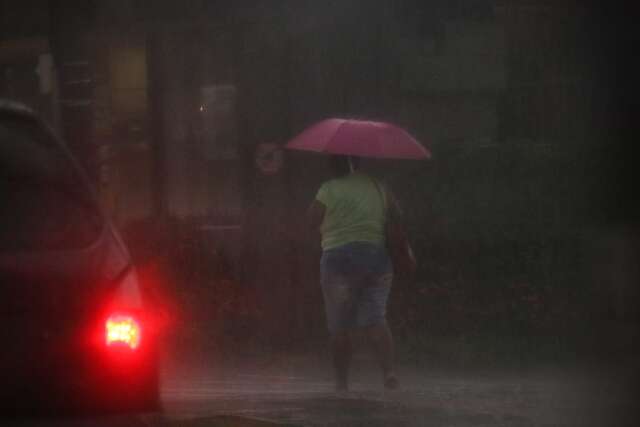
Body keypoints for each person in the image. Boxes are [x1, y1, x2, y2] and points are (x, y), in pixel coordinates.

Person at [307, 154, 402, 391]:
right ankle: (389, 373)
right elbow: (397, 215)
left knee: (340, 323)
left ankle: (341, 382)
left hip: (338, 259)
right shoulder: (377, 187)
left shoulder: (328, 189)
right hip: (375, 257)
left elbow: (311, 220)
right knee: (375, 316)